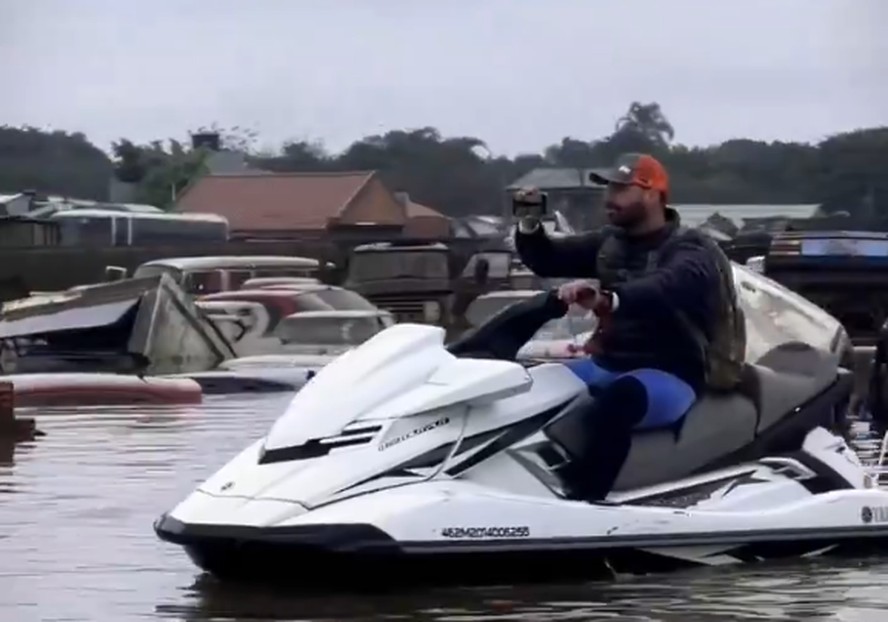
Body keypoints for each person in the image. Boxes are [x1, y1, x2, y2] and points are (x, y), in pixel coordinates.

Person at [513, 152, 746, 502]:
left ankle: (586, 505)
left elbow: (665, 286)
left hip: (673, 373)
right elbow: (548, 258)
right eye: (609, 188)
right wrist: (530, 223)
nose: (610, 197)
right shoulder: (611, 242)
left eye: (622, 189)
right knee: (526, 389)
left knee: (613, 406)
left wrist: (609, 299)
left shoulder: (693, 250)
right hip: (609, 364)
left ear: (653, 195)